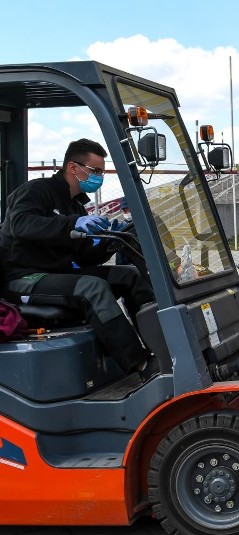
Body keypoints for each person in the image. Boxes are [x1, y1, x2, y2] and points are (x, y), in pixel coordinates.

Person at [0, 139, 155, 374]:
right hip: (23, 277)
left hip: (56, 273)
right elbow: (20, 225)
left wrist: (111, 242)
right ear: (74, 167)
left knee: (129, 276)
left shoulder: (76, 206)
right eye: (95, 171)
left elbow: (84, 257)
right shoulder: (37, 191)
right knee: (91, 287)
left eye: (102, 172)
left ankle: (164, 347)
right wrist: (73, 223)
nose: (100, 177)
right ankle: (140, 364)